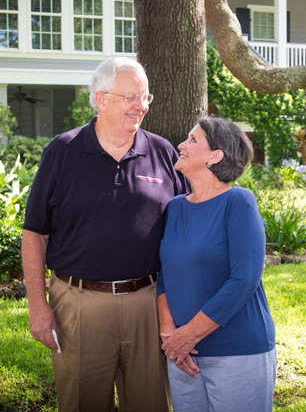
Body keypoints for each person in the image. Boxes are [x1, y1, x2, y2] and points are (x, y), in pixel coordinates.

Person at [21, 57, 188, 412]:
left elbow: (186, 228)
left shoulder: (162, 152)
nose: (140, 107)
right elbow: (34, 234)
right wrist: (38, 305)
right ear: (101, 99)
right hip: (79, 303)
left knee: (151, 404)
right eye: (130, 97)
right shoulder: (63, 152)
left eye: (145, 98)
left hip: (147, 301)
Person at [157, 117, 276, 412]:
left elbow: (244, 279)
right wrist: (170, 335)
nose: (181, 145)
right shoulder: (175, 207)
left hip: (237, 351)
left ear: (215, 156)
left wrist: (188, 335)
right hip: (182, 356)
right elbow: (163, 276)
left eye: (193, 140)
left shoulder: (239, 202)